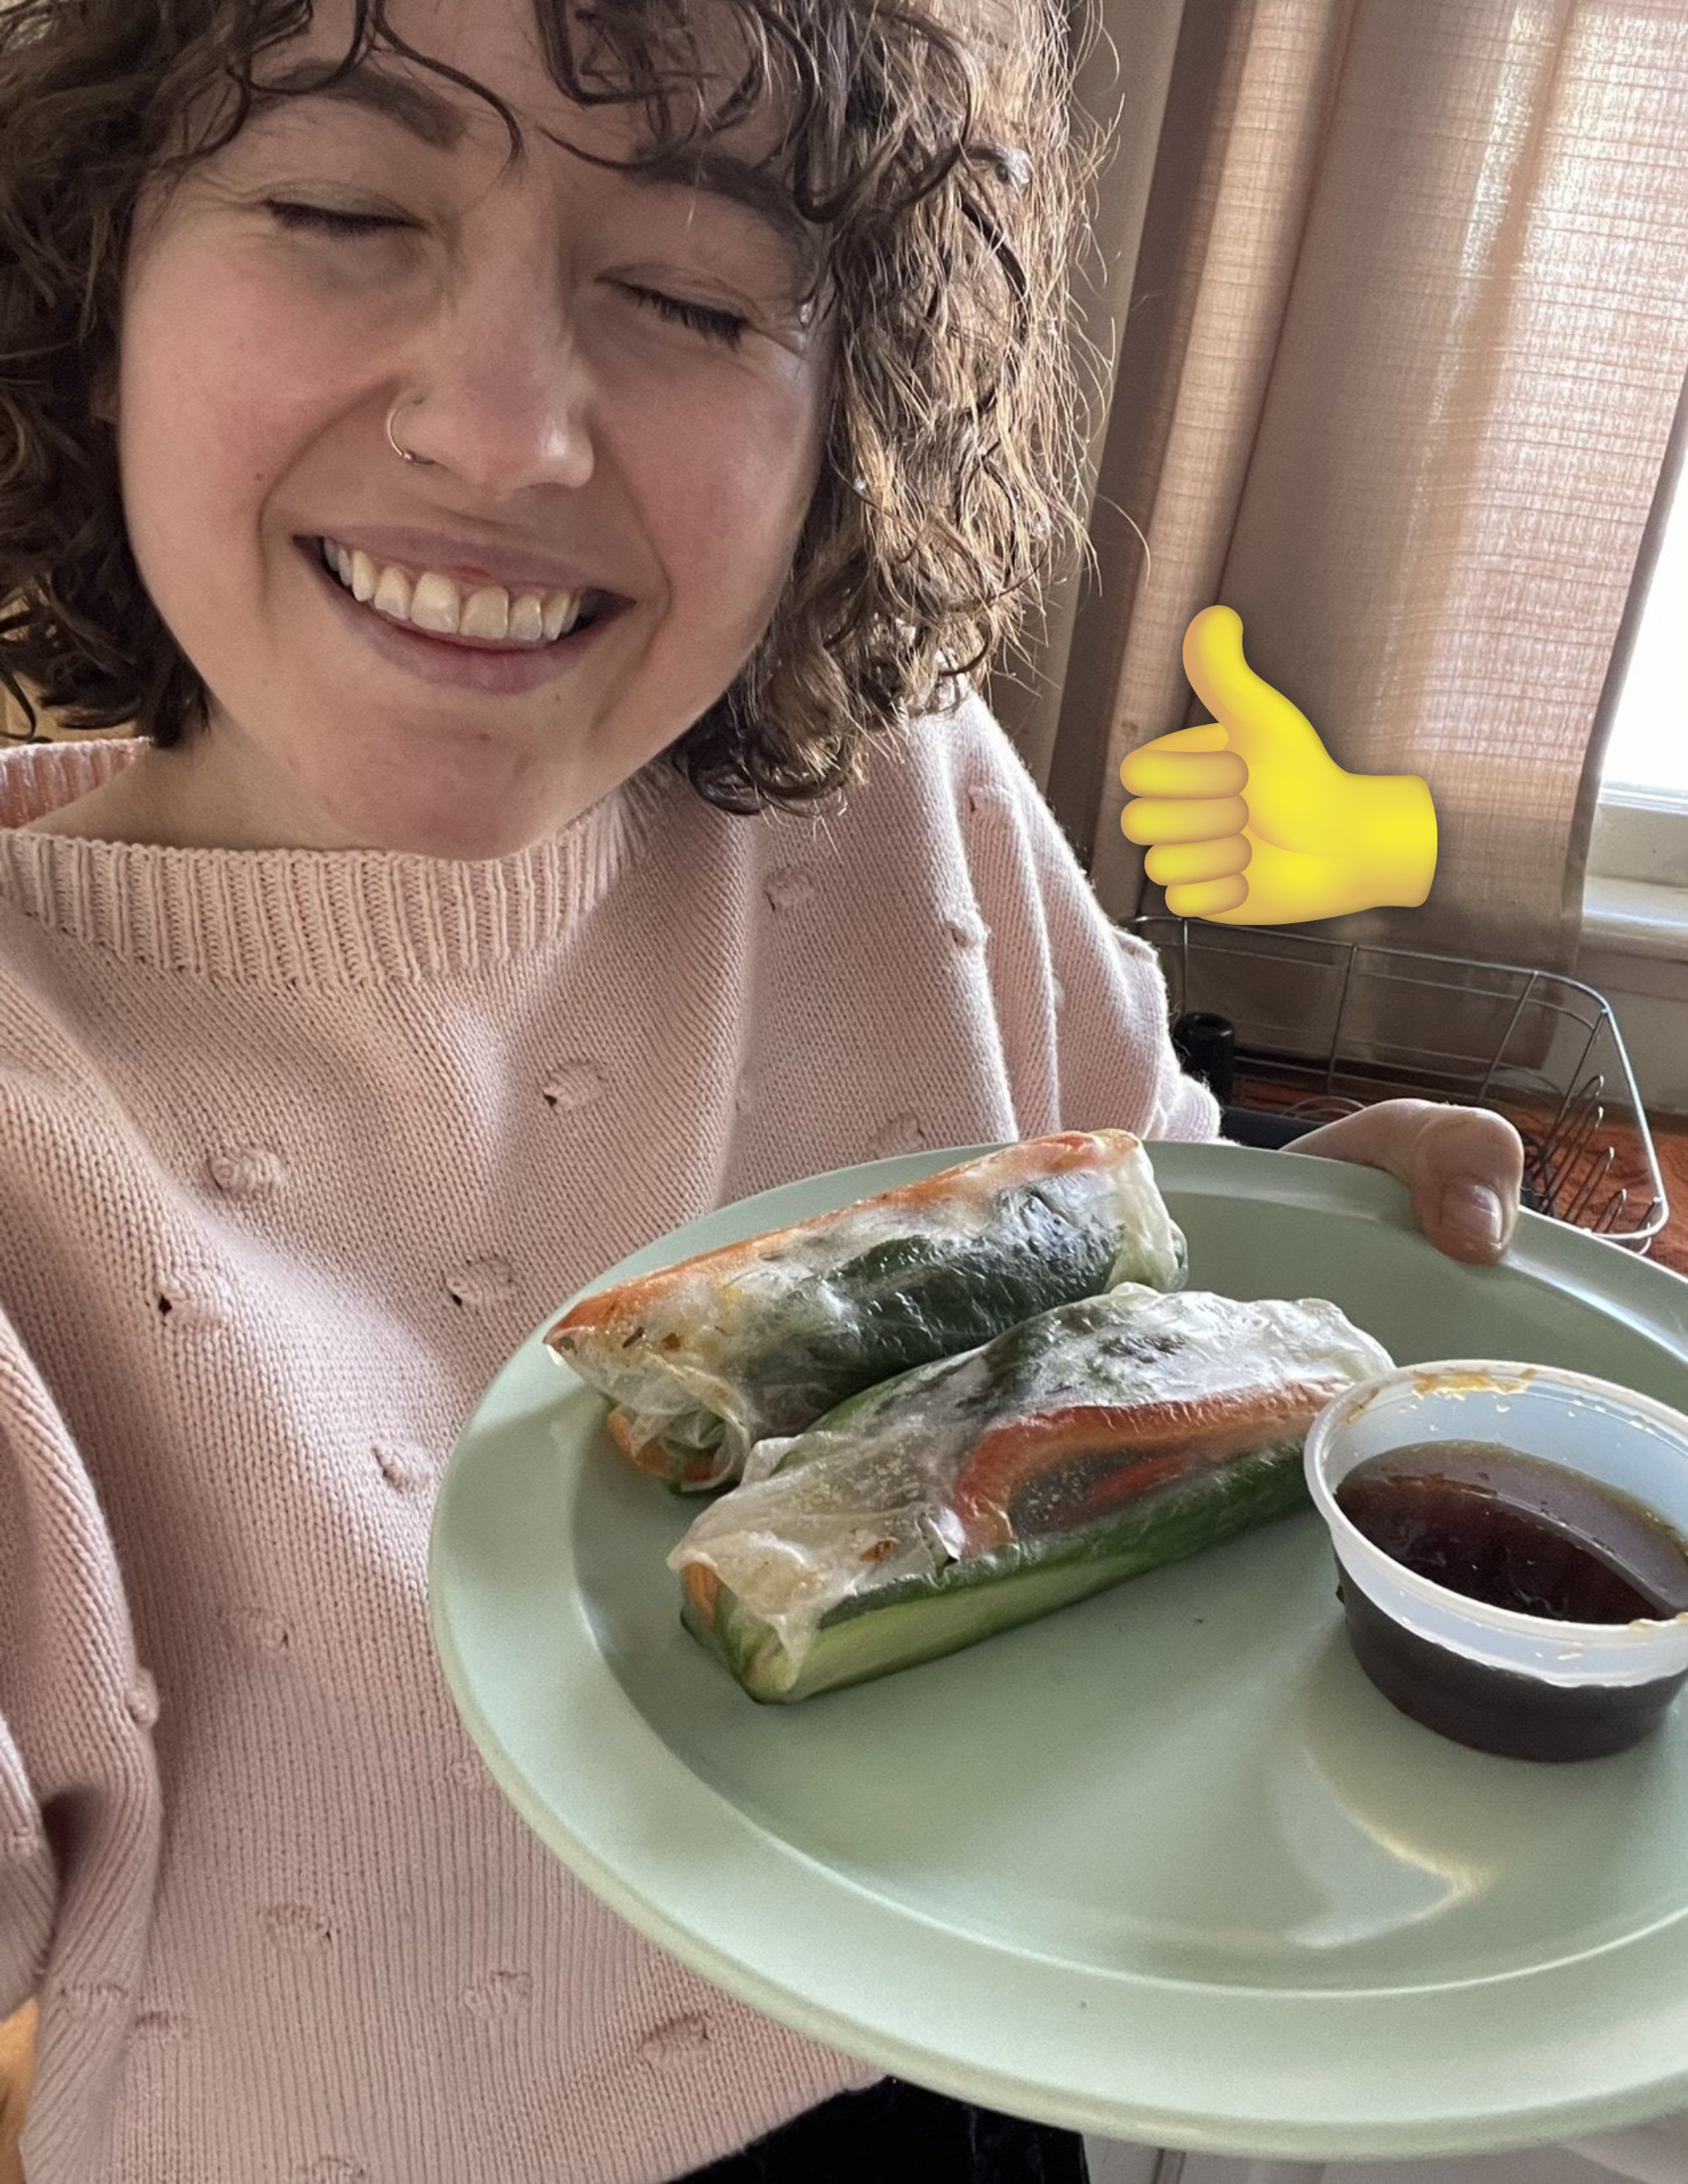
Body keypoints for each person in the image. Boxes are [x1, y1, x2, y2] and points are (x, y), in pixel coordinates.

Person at [0, 0, 1524, 2177]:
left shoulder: (902, 802)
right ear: (91, 294)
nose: (512, 428)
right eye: (343, 209)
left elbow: (1128, 1211)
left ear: (842, 416)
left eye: (693, 294)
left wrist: (1308, 1233)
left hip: (965, 2061)